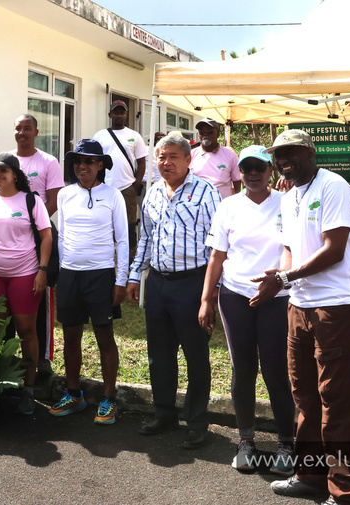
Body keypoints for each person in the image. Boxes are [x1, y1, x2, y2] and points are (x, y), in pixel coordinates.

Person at [252, 130, 350, 505]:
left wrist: (285, 278)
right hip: (299, 305)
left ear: (310, 152)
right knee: (304, 394)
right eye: (278, 154)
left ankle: (347, 490)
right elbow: (288, 248)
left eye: (291, 152)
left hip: (336, 305)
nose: (283, 159)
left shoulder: (334, 187)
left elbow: (334, 250)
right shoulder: (288, 196)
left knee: (337, 397)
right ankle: (312, 476)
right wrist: (281, 280)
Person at [198, 145, 296, 474]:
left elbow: (291, 248)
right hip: (235, 295)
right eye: (247, 168)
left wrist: (280, 281)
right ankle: (246, 441)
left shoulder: (287, 202)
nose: (253, 173)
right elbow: (217, 256)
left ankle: (286, 443)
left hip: (276, 297)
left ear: (272, 171)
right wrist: (206, 299)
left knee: (275, 370)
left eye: (260, 167)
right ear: (238, 171)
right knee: (243, 369)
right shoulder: (228, 206)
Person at [127, 134, 220, 449]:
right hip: (159, 283)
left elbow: (218, 246)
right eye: (161, 157)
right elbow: (146, 238)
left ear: (188, 159)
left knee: (196, 356)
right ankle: (163, 413)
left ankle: (196, 422)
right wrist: (134, 276)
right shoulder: (152, 193)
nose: (166, 163)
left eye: (173, 157)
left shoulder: (206, 193)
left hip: (192, 284)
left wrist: (212, 293)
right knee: (159, 354)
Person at [49, 139, 128, 425]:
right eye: (77, 161)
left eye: (89, 161)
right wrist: (58, 269)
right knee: (71, 336)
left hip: (101, 275)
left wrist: (121, 280)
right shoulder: (65, 195)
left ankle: (109, 398)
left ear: (100, 165)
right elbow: (61, 236)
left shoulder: (113, 195)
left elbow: (122, 239)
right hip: (70, 275)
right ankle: (74, 393)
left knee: (104, 336)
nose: (82, 166)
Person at [0, 152, 52, 415]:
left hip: (25, 273)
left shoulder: (31, 201)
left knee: (26, 330)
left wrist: (42, 270)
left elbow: (46, 237)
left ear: (15, 174)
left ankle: (28, 389)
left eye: (2, 170)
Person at [9, 113, 64, 380]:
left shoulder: (48, 162)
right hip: (9, 240)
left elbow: (53, 200)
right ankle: (6, 357)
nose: (22, 133)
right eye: (18, 128)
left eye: (27, 128)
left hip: (39, 237)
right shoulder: (6, 160)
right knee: (7, 300)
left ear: (36, 132)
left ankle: (42, 359)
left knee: (40, 297)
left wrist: (34, 223)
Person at [93, 99, 147, 258]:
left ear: (126, 114)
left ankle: (130, 259)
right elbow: (94, 161)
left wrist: (136, 185)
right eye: (115, 112)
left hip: (127, 187)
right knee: (104, 222)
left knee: (129, 225)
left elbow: (142, 163)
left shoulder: (134, 136)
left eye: (122, 112)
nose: (119, 115)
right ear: (110, 114)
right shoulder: (100, 135)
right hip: (105, 188)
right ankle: (106, 257)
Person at [189, 118, 242, 200]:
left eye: (210, 132)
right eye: (202, 132)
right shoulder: (190, 155)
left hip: (222, 208)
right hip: (197, 208)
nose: (205, 135)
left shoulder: (230, 155)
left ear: (218, 134)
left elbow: (237, 182)